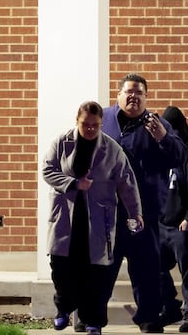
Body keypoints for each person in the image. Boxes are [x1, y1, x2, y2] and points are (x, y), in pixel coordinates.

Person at [42, 101, 143, 335]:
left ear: (100, 125)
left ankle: (93, 322)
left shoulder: (112, 149)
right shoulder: (61, 143)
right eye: (85, 125)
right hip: (66, 217)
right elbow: (47, 170)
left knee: (96, 274)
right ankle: (64, 310)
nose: (89, 129)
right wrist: (74, 184)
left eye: (95, 126)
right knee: (61, 267)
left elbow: (126, 182)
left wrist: (135, 211)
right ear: (77, 121)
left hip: (97, 219)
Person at [101, 73, 186, 334]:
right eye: (129, 92)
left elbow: (180, 157)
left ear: (146, 98)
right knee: (102, 269)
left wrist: (163, 137)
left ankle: (148, 317)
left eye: (139, 93)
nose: (133, 97)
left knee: (147, 270)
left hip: (144, 213)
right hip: (109, 213)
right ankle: (91, 316)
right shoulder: (103, 120)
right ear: (118, 95)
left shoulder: (156, 125)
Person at [158, 106, 188, 333]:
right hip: (163, 221)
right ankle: (170, 306)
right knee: (154, 266)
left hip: (184, 224)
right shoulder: (162, 150)